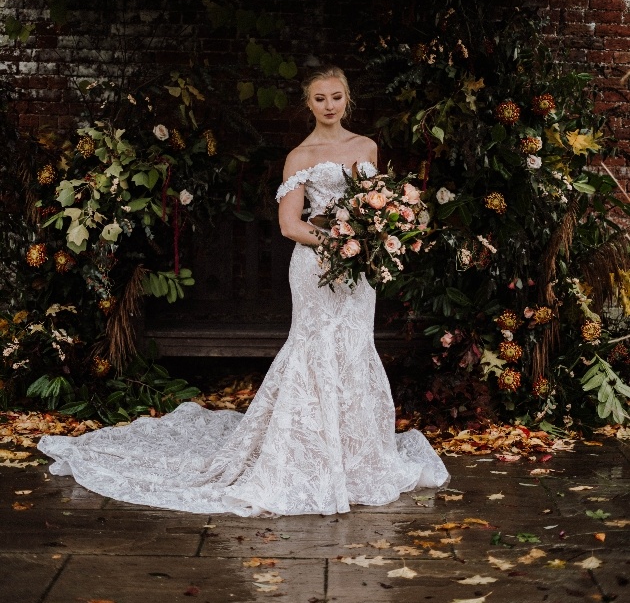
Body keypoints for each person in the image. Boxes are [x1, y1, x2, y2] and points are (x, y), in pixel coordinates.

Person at [38, 65, 449, 516]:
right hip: (317, 267)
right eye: (319, 98)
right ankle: (308, 457)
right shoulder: (300, 156)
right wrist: (339, 241)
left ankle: (356, 459)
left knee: (354, 347)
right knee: (314, 349)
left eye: (336, 97)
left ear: (347, 99)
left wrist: (372, 236)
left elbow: (376, 205)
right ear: (308, 104)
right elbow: (290, 224)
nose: (329, 105)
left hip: (358, 271)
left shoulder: (366, 147)